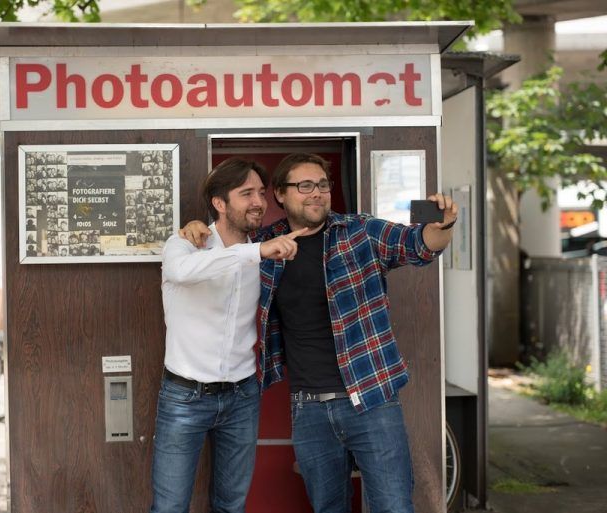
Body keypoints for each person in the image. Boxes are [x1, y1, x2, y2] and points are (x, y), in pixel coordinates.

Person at [182, 153, 457, 513]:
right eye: (305, 186)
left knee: (393, 507)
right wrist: (194, 228)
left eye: (323, 185)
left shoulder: (359, 232)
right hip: (308, 409)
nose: (317, 194)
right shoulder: (266, 245)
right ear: (280, 195)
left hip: (371, 400)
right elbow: (223, 246)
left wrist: (444, 225)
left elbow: (418, 244)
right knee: (328, 508)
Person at [150, 157, 304, 513]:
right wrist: (255, 251)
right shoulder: (185, 244)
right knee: (169, 506)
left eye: (261, 193)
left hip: (242, 395)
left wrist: (260, 250)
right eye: (246, 193)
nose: (259, 202)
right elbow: (182, 271)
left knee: (231, 506)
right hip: (184, 396)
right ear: (219, 203)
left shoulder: (266, 245)